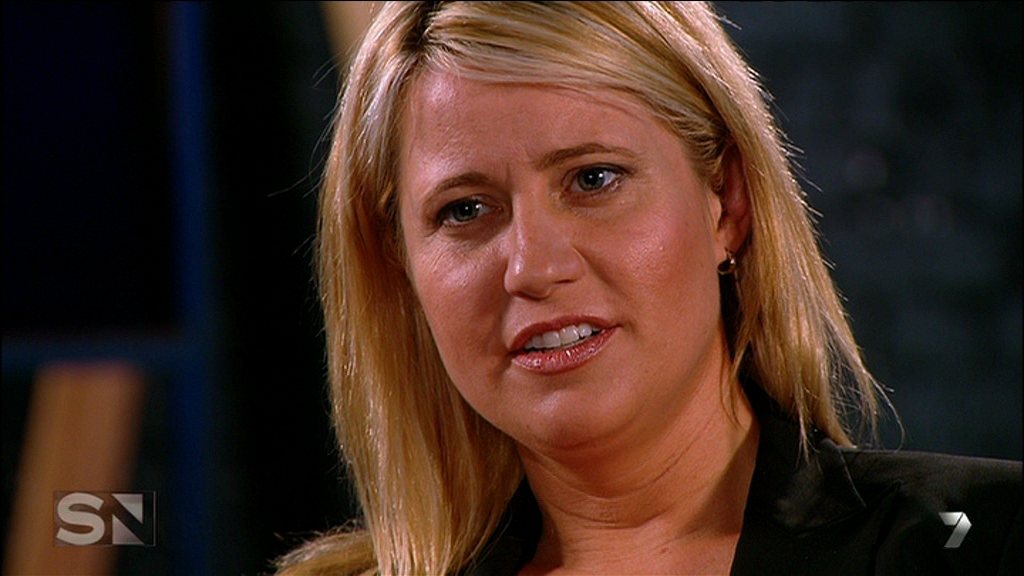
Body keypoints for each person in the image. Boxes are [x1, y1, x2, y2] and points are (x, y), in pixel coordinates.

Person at [278, 2, 1022, 574]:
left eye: (593, 179)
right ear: (403, 269)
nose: (532, 266)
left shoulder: (985, 541)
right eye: (465, 210)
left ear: (726, 204)